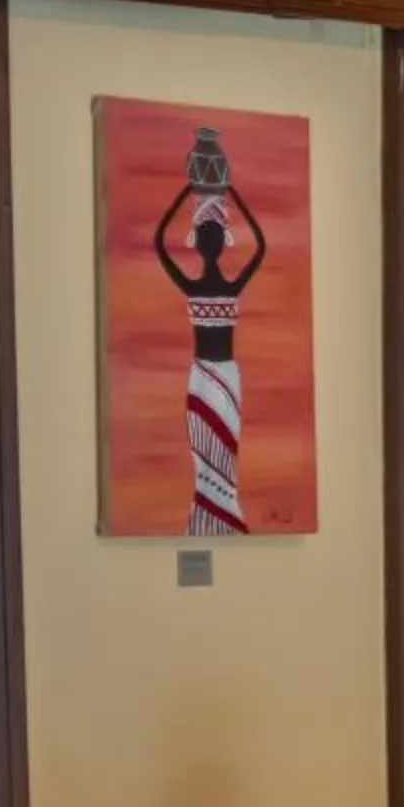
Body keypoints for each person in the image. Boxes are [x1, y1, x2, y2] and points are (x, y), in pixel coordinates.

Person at [155, 129, 268, 535]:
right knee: (205, 454)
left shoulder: (211, 286)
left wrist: (213, 193)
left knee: (225, 455)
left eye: (213, 234)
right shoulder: (208, 286)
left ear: (220, 241)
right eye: (206, 234)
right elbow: (159, 246)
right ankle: (206, 518)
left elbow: (260, 249)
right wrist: (206, 193)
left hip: (223, 378)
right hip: (204, 375)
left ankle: (222, 518)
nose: (209, 240)